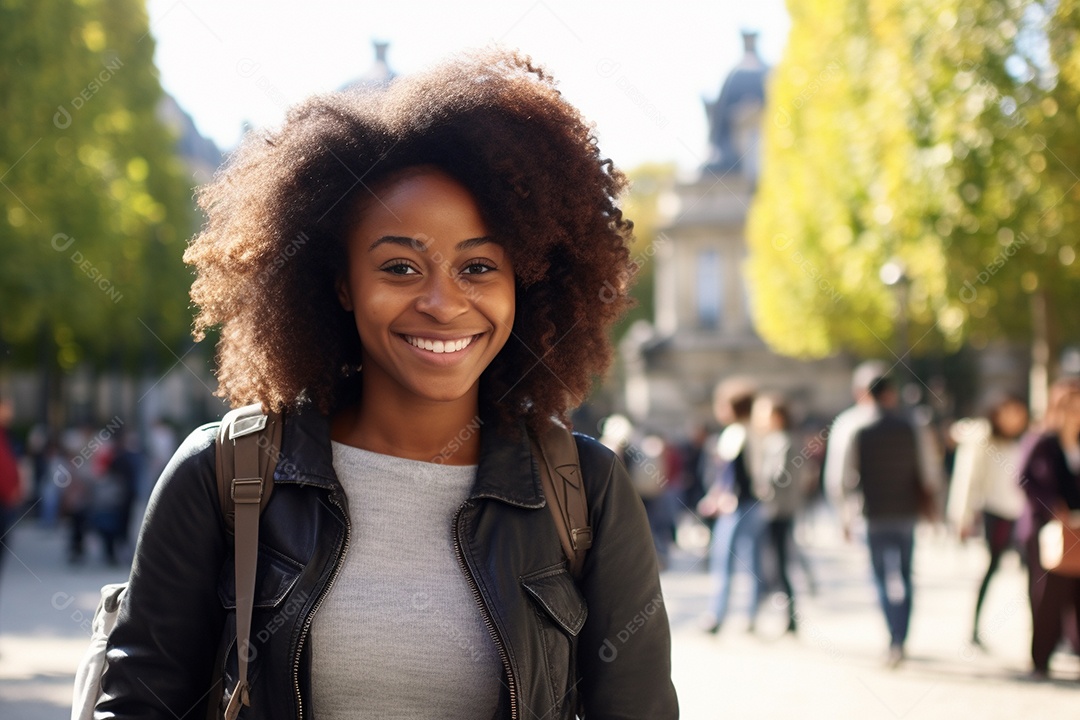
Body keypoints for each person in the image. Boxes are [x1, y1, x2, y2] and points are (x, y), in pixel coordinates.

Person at [96, 49, 678, 720]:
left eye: (479, 266)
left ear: (527, 281)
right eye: (400, 267)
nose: (442, 302)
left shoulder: (588, 493)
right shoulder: (221, 476)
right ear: (340, 283)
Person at [839, 373, 940, 667]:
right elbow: (928, 470)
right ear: (891, 394)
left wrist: (845, 515)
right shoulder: (911, 426)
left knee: (882, 578)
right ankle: (901, 636)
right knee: (906, 576)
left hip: (874, 514)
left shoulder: (858, 428)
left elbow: (844, 477)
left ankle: (893, 637)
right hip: (905, 512)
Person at [946, 392, 1029, 647]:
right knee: (991, 568)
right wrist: (962, 517)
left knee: (1032, 571)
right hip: (997, 513)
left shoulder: (1025, 440)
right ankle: (974, 627)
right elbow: (967, 479)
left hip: (1022, 513)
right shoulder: (984, 439)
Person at [1018, 378, 1080, 680]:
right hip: (1047, 533)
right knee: (1048, 597)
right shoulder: (1042, 440)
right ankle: (1040, 659)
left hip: (1078, 533)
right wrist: (1053, 505)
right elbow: (1023, 478)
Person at [698, 381, 764, 634]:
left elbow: (732, 475)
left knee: (723, 561)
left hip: (737, 506)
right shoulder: (755, 432)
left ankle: (717, 615)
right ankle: (750, 616)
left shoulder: (736, 434)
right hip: (753, 504)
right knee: (753, 562)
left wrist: (719, 498)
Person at [750, 393, 801, 634]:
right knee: (778, 564)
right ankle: (787, 615)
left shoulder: (781, 440)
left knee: (777, 565)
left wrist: (762, 485)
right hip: (779, 508)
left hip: (777, 509)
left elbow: (780, 475)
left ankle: (789, 616)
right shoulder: (782, 439)